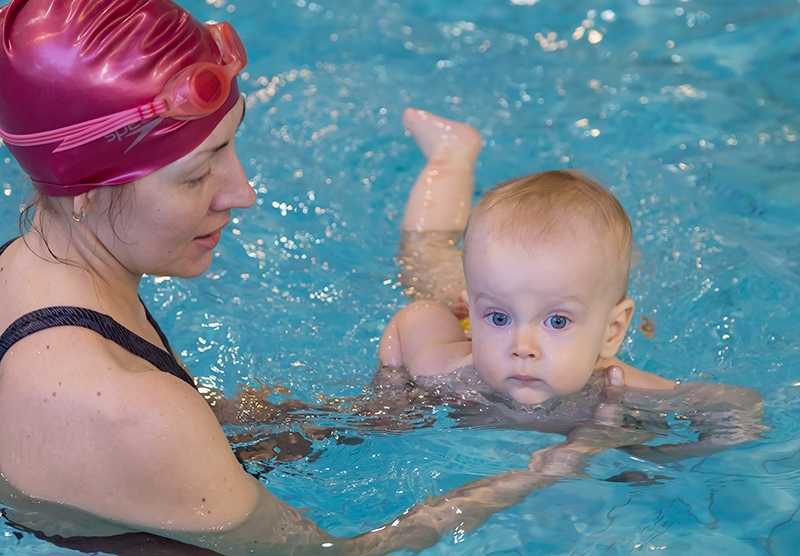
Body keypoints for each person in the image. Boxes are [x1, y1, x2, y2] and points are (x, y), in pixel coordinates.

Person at [0, 2, 621, 554]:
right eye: (196, 175)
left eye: (230, 146)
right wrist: (545, 473)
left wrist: (344, 417)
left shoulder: (24, 267)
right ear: (81, 192)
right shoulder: (130, 408)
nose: (242, 193)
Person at [378, 108, 763, 459]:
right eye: (498, 320)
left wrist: (665, 458)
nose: (522, 348)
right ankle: (451, 155)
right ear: (476, 311)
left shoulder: (615, 386)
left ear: (612, 332)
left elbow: (738, 407)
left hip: (501, 290)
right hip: (461, 308)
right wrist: (393, 389)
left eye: (557, 322)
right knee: (423, 257)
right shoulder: (448, 372)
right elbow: (415, 317)